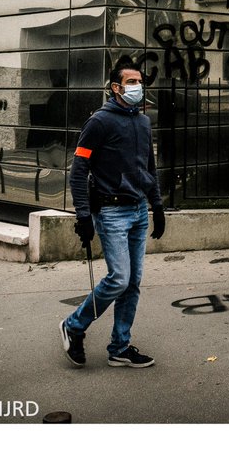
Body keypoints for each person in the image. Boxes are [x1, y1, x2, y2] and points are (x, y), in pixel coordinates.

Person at [60, 57, 165, 369]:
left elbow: (149, 167)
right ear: (116, 87)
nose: (138, 86)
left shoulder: (143, 122)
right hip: (111, 211)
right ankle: (74, 325)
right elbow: (78, 171)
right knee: (119, 279)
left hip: (138, 211)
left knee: (132, 283)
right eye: (131, 82)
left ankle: (120, 346)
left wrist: (157, 205)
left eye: (139, 82)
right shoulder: (99, 122)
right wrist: (82, 215)